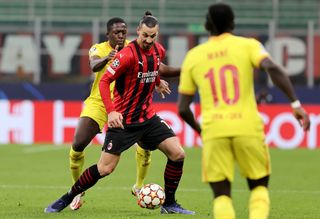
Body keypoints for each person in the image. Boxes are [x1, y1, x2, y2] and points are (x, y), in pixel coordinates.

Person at [45, 11, 195, 215]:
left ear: (157, 34)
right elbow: (105, 80)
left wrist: (167, 78)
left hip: (148, 118)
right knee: (105, 168)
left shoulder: (158, 49)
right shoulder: (126, 54)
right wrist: (112, 111)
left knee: (178, 154)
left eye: (153, 36)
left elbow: (157, 68)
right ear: (138, 32)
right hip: (125, 121)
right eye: (145, 36)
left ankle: (169, 204)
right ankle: (69, 196)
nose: (149, 40)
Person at [177, 3, 310, 219]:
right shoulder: (248, 46)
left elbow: (182, 109)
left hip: (214, 130)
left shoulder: (194, 56)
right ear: (232, 23)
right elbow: (273, 68)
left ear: (206, 25)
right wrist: (295, 104)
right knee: (258, 187)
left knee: (221, 195)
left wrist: (201, 131)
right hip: (247, 127)